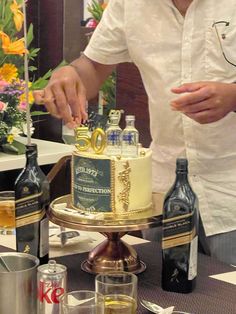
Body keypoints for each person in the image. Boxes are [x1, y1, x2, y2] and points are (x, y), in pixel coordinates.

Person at [34, 0, 236, 264]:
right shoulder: (130, 4)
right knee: (164, 298)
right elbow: (93, 67)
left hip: (229, 193)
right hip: (165, 193)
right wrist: (70, 76)